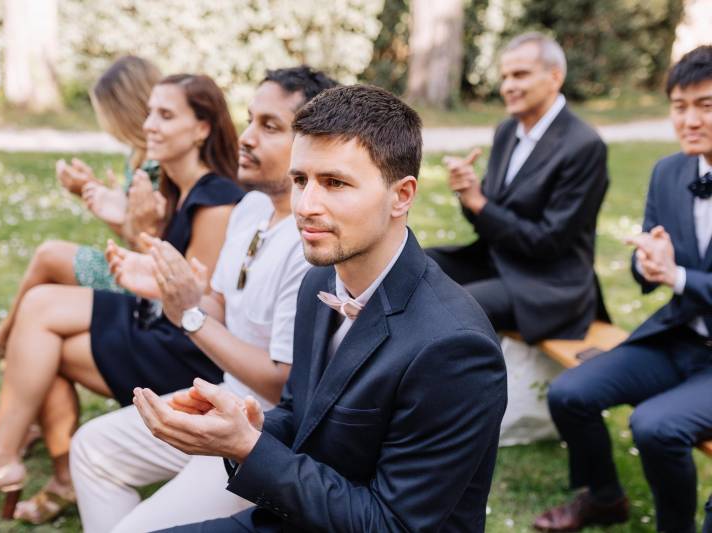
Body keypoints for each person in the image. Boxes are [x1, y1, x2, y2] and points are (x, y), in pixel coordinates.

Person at [132, 84, 508, 532]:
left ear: (402, 195)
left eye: (335, 183)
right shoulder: (319, 281)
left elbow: (392, 525)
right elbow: (303, 414)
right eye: (299, 181)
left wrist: (247, 448)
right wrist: (245, 426)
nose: (306, 206)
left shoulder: (454, 347)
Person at [0, 73, 242, 524]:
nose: (149, 124)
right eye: (149, 112)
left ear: (202, 128)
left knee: (38, 320)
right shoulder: (174, 186)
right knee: (34, 343)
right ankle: (28, 465)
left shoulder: (218, 201)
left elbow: (194, 306)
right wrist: (133, 224)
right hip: (153, 323)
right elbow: (158, 266)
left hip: (184, 353)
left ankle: (3, 461)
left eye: (165, 115)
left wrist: (138, 232)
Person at [69, 66, 338, 533]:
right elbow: (216, 305)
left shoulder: (311, 242)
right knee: (91, 447)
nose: (247, 137)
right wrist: (167, 288)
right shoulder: (250, 208)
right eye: (250, 119)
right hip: (220, 396)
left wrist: (189, 316)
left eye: (270, 127)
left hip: (262, 428)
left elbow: (280, 383)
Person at [535, 45, 712, 533]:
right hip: (678, 338)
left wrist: (676, 276)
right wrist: (646, 262)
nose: (690, 120)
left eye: (707, 105)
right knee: (570, 392)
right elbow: (650, 267)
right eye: (680, 107)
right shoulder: (669, 172)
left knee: (655, 426)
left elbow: (678, 277)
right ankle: (606, 498)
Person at [0, 55, 164, 365]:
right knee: (46, 282)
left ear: (124, 111)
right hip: (137, 267)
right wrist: (94, 193)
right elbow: (135, 232)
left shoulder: (157, 165)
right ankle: (2, 340)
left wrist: (107, 205)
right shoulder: (141, 154)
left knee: (49, 256)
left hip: (147, 288)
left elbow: (144, 242)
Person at [425, 32, 608, 343]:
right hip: (496, 261)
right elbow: (488, 217)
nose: (507, 86)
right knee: (413, 265)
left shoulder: (584, 146)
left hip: (547, 284)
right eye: (505, 76)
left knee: (454, 307)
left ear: (555, 77)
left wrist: (479, 203)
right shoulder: (507, 130)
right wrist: (470, 197)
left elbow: (549, 241)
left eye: (520, 75)